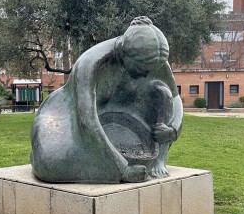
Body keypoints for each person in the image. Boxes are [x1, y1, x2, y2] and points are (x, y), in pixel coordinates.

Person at [30, 17, 183, 183]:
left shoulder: (154, 58)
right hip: (70, 115)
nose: (147, 75)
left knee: (162, 91)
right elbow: (87, 121)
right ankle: (105, 170)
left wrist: (173, 130)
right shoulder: (90, 64)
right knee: (49, 165)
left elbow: (175, 99)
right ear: (125, 55)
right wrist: (122, 169)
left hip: (126, 115)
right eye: (142, 69)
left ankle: (158, 162)